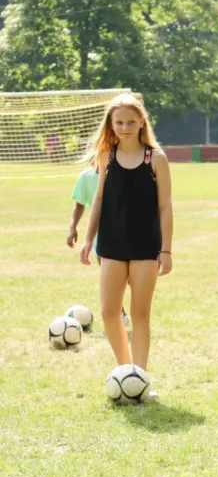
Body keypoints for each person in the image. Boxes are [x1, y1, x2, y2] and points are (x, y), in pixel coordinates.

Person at [79, 94, 174, 398]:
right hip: (112, 244)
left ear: (142, 121)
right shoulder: (106, 156)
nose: (125, 127)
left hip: (146, 245)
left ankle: (141, 379)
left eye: (131, 121)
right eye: (119, 122)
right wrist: (88, 238)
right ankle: (126, 374)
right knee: (109, 311)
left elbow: (165, 207)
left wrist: (167, 249)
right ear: (111, 124)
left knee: (140, 314)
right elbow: (98, 200)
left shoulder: (155, 158)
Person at [67, 161, 130, 327]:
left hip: (126, 232)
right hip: (100, 236)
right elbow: (79, 205)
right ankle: (120, 313)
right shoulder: (85, 178)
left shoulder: (119, 174)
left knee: (130, 279)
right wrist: (72, 227)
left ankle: (135, 311)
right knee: (110, 278)